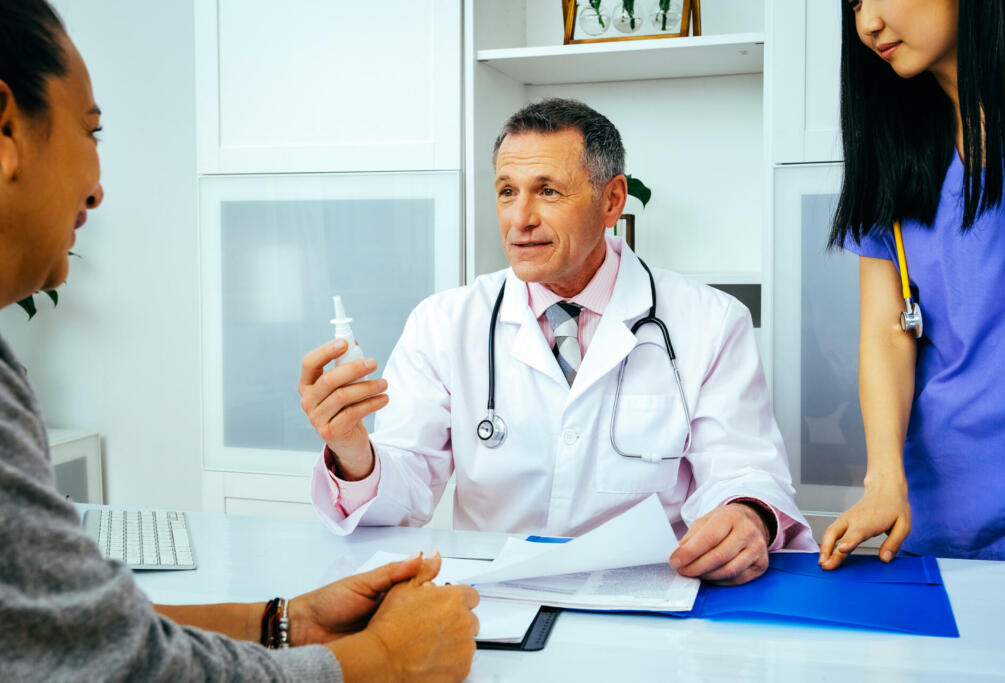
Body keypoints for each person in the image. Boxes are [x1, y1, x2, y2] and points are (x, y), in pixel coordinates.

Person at [0, 2, 478, 680]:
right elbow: (114, 662)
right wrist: (379, 661)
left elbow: (73, 630)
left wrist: (284, 622)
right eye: (91, 131)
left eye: (548, 189)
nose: (99, 189)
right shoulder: (452, 317)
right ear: (5, 128)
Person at [300, 98, 816, 586]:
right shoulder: (444, 322)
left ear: (611, 200)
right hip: (494, 595)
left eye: (547, 190)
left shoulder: (710, 321)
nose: (519, 219)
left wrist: (746, 515)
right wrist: (353, 451)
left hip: (648, 596)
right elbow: (406, 493)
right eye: (507, 191)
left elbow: (743, 470)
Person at [820, 0, 1005, 567]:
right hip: (945, 510)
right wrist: (884, 481)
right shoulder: (895, 152)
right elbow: (889, 335)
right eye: (854, 5)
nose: (865, 25)